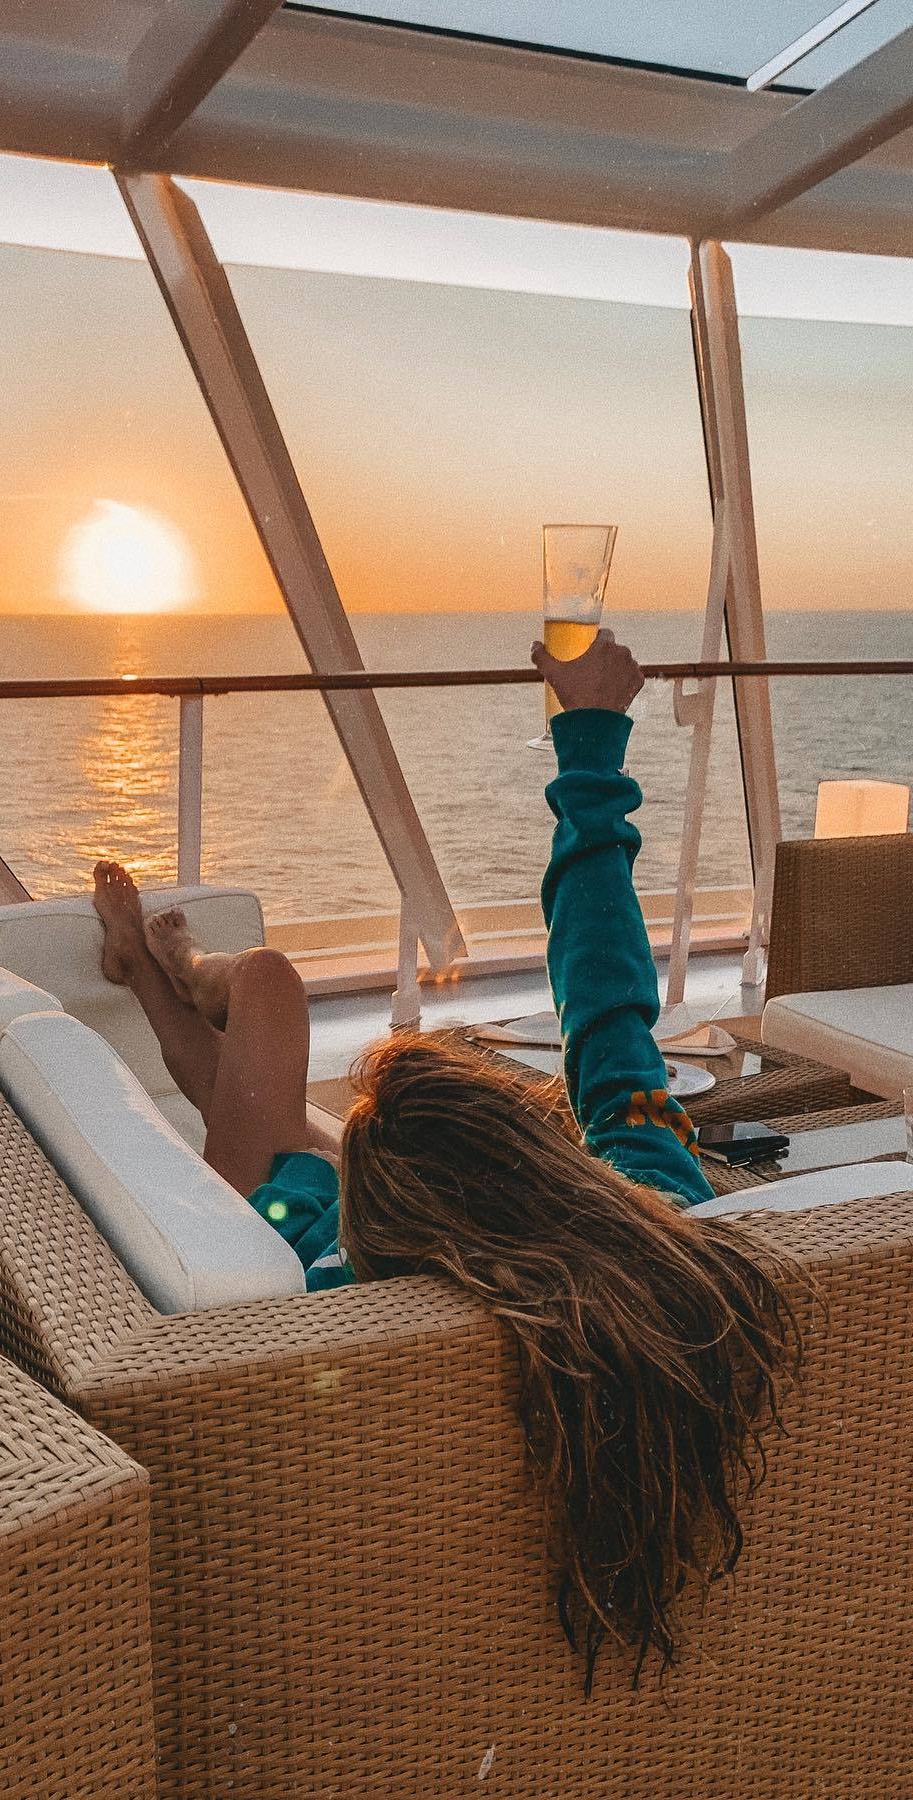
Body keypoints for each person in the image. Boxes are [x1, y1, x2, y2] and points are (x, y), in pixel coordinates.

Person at [92, 628, 802, 1690]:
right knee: (286, 1124)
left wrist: (589, 736)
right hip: (438, 1237)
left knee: (271, 1012)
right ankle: (169, 975)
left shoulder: (337, 1301)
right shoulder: (659, 1207)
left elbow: (604, 1010)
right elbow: (609, 1011)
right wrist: (591, 740)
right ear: (544, 1155)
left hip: (291, 1233)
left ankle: (172, 976)